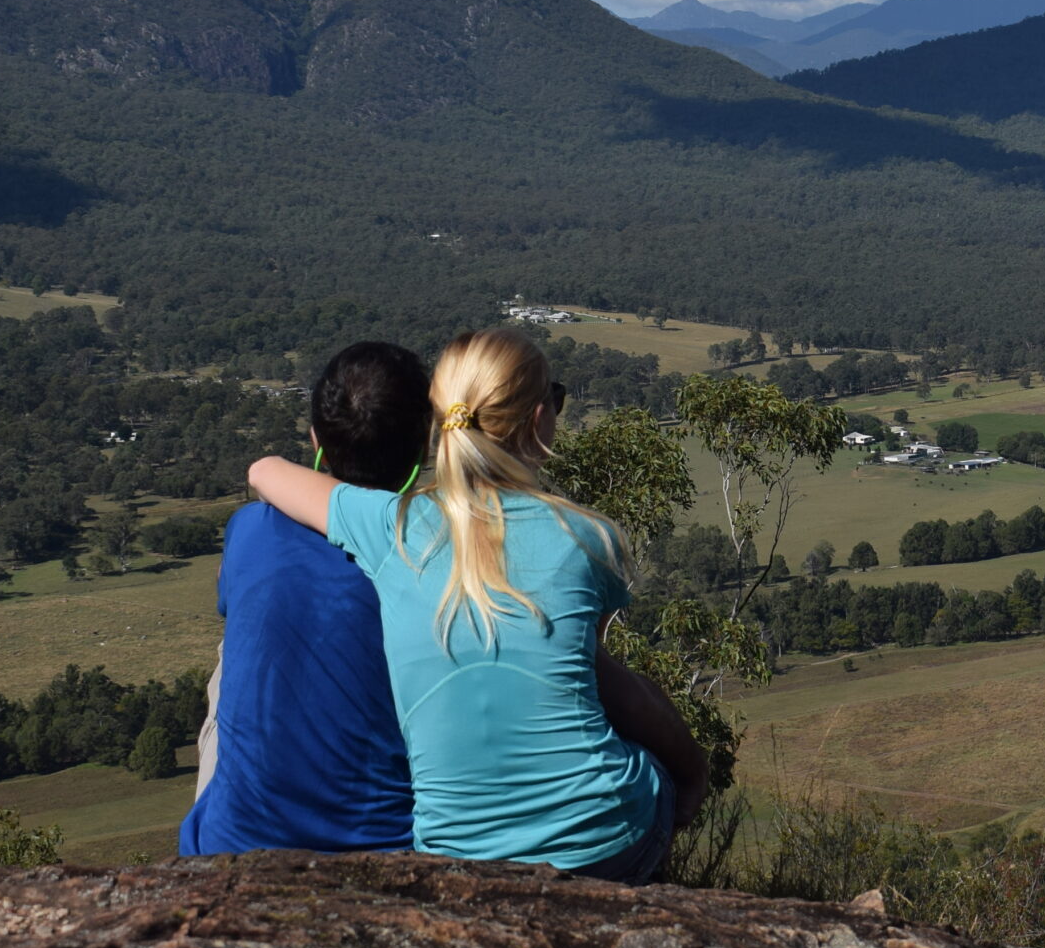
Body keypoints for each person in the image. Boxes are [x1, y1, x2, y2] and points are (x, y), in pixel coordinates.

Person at [247, 328, 707, 883]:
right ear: (539, 420)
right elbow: (600, 681)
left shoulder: (388, 527)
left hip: (457, 854)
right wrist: (693, 775)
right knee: (639, 764)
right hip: (603, 844)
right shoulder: (586, 538)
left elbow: (264, 471)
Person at [181, 341, 423, 856]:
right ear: (425, 445)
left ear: (316, 441)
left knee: (230, 654)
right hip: (391, 850)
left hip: (233, 847)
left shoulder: (252, 528)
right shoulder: (432, 554)